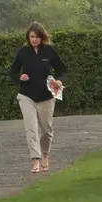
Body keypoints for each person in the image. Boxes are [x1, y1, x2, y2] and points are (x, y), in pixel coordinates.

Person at [10, 22, 67, 173]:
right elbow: (12, 71)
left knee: (46, 130)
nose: (34, 39)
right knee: (31, 128)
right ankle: (35, 160)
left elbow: (63, 70)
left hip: (46, 96)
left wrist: (59, 81)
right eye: (31, 37)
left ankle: (45, 155)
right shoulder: (23, 52)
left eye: (37, 37)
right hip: (26, 95)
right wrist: (19, 77)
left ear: (42, 37)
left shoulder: (49, 51)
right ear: (28, 37)